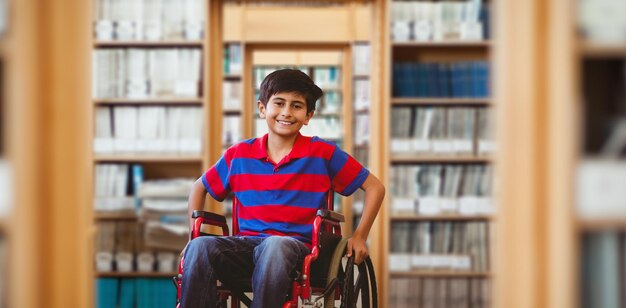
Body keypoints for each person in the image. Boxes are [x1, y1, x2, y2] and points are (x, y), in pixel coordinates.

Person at [180, 69, 385, 308]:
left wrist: (360, 236)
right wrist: (191, 238)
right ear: (262, 108)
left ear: (308, 116)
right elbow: (198, 188)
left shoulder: (323, 153)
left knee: (275, 244)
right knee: (200, 246)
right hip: (246, 247)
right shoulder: (239, 155)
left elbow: (375, 187)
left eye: (296, 106)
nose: (286, 112)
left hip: (300, 252)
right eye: (279, 103)